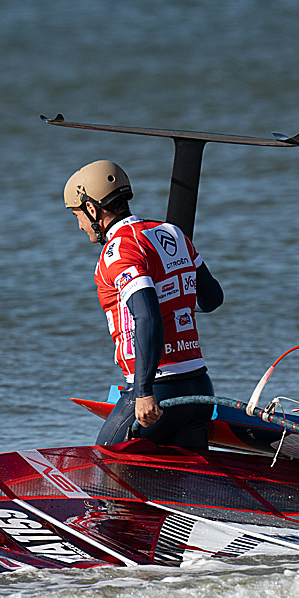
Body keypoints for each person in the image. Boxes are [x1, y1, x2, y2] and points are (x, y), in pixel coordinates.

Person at [64, 159, 224, 450]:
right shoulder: (172, 233)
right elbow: (212, 298)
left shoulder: (119, 250)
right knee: (183, 489)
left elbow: (147, 317)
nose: (79, 225)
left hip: (159, 395)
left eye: (77, 215)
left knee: (103, 474)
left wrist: (143, 392)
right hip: (200, 389)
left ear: (92, 209)